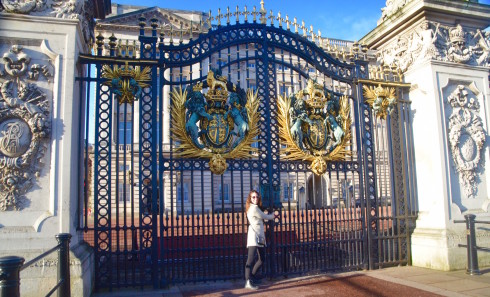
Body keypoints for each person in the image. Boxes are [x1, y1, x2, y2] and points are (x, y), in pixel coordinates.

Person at [244, 190, 274, 290]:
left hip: (259, 237)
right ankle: (248, 281)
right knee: (250, 260)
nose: (255, 198)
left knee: (262, 259)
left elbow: (261, 213)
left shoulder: (255, 208)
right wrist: (273, 215)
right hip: (254, 237)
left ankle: (252, 277)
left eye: (257, 197)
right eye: (253, 197)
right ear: (250, 198)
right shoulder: (254, 208)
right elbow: (265, 216)